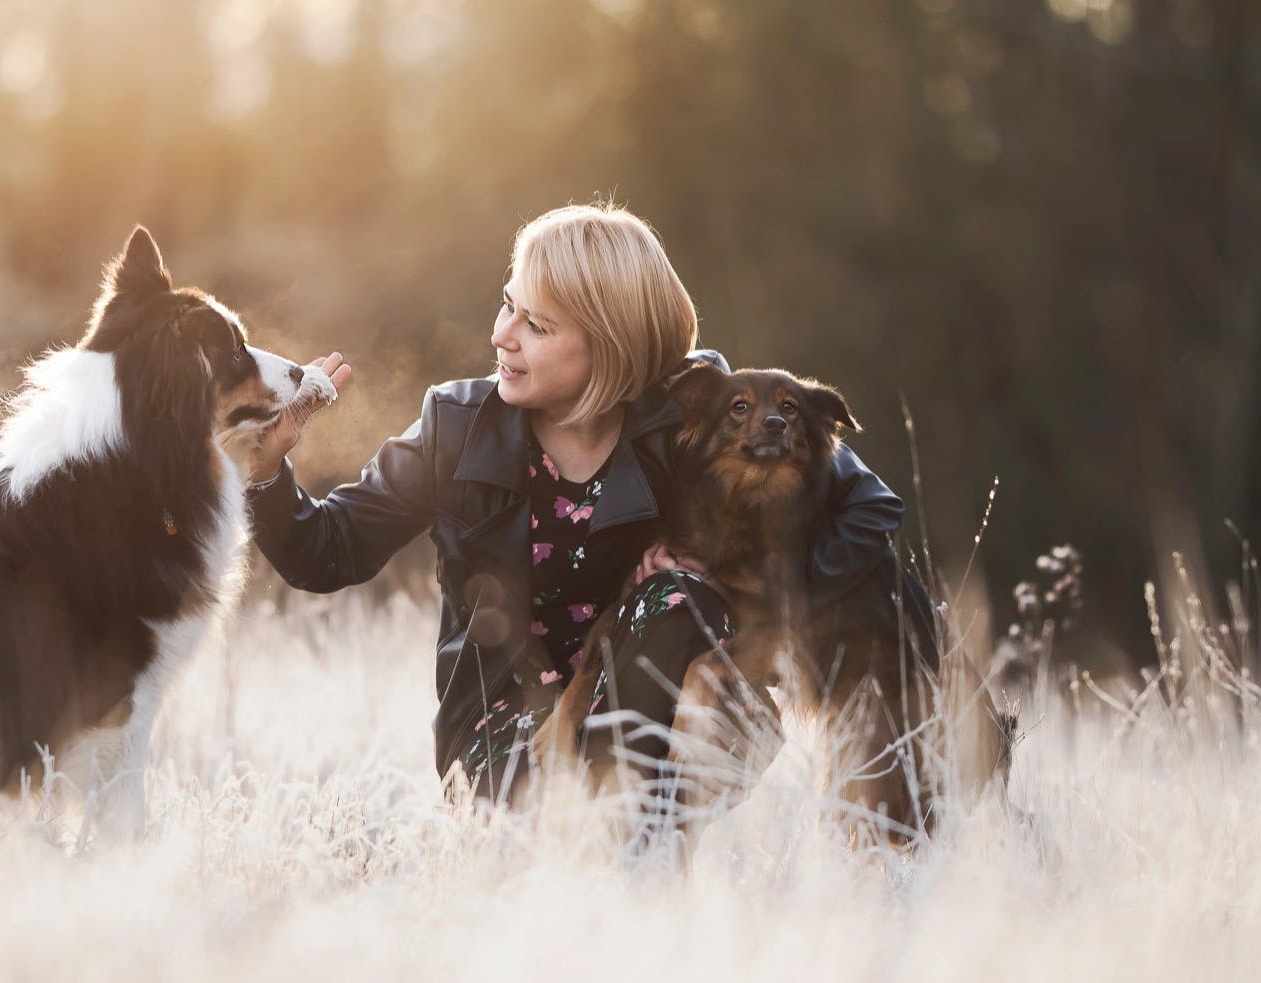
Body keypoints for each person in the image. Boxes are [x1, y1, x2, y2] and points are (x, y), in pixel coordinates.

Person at [246, 203, 903, 808]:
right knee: (558, 826)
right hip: (504, 733)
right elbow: (323, 552)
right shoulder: (455, 426)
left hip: (662, 717)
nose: (503, 335)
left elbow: (868, 506)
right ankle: (611, 836)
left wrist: (760, 609)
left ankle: (651, 841)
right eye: (507, 306)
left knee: (681, 596)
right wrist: (268, 467)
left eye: (536, 324)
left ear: (609, 347)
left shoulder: (694, 416)